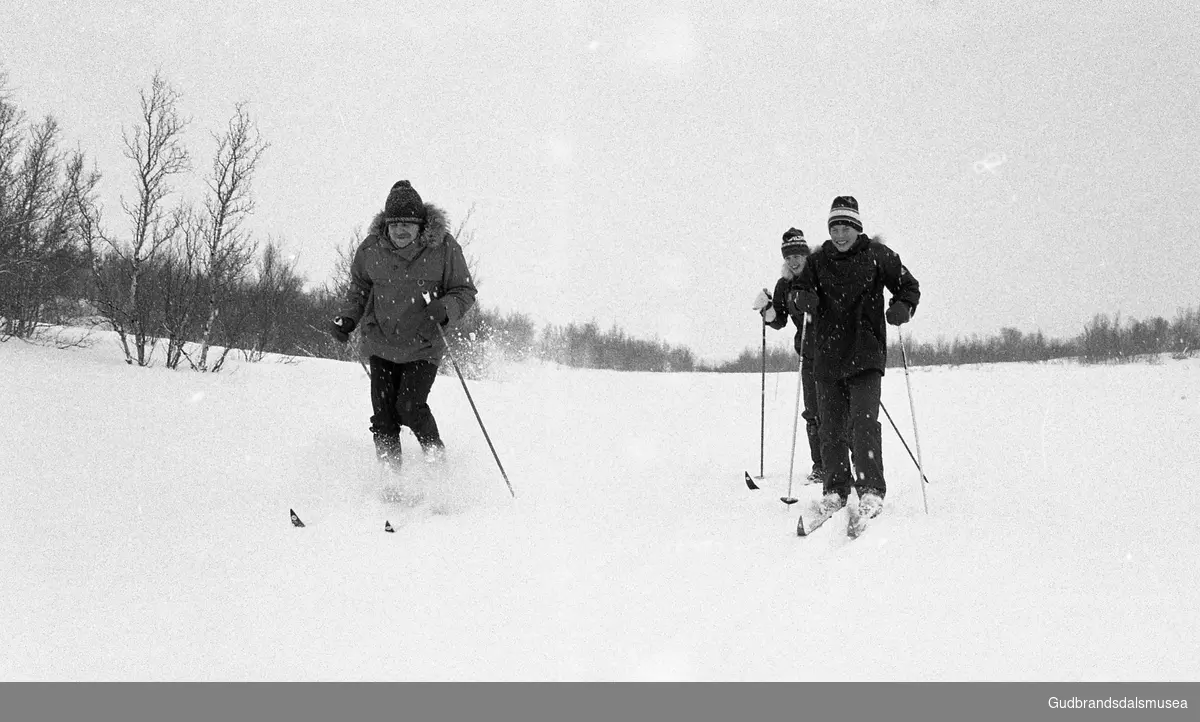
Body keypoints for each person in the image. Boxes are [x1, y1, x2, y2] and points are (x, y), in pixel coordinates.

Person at [785, 196, 920, 522]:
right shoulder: (818, 261)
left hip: (865, 354)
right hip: (827, 357)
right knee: (830, 427)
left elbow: (908, 286)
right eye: (835, 228)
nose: (840, 234)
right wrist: (802, 297)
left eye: (846, 227)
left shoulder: (877, 255)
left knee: (862, 425)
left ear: (857, 227)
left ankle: (871, 490)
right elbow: (799, 289)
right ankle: (835, 490)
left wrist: (902, 306)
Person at [330, 180, 478, 472]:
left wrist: (445, 307)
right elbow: (359, 288)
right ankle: (390, 480)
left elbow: (464, 291)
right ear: (385, 224)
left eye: (408, 223)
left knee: (410, 407)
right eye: (394, 223)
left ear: (421, 224)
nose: (400, 230)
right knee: (384, 419)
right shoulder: (371, 249)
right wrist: (348, 318)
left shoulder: (444, 247)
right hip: (382, 343)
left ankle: (438, 470)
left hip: (423, 345)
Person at [751, 228, 824, 484]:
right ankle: (821, 466)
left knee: (839, 413)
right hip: (808, 354)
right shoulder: (784, 285)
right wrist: (766, 309)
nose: (794, 261)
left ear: (806, 255)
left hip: (835, 352)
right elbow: (779, 320)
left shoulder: (821, 274)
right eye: (789, 256)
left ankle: (846, 465)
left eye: (799, 255)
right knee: (813, 412)